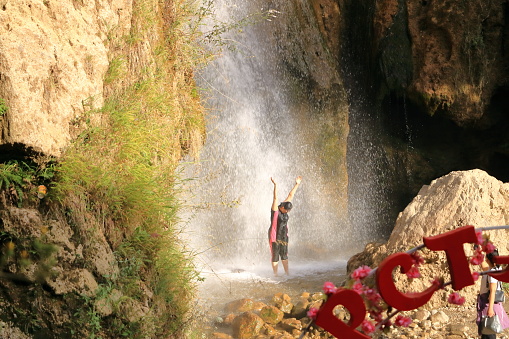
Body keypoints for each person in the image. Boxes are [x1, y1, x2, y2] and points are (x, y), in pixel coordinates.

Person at [268, 176, 302, 276]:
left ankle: (287, 274)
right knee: (275, 255)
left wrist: (297, 184)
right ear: (282, 207)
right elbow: (275, 198)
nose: (287, 212)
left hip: (284, 235)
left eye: (288, 211)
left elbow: (291, 195)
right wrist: (275, 185)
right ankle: (276, 275)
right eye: (286, 210)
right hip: (274, 236)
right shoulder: (275, 211)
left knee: (284, 254)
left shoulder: (286, 206)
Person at [476, 248, 509, 338]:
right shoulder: (493, 269)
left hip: (489, 304)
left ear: (489, 259)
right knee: (486, 330)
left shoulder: (493, 273)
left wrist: (490, 309)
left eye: (486, 258)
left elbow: (493, 291)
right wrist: (477, 251)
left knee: (489, 330)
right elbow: (483, 265)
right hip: (487, 303)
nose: (485, 260)